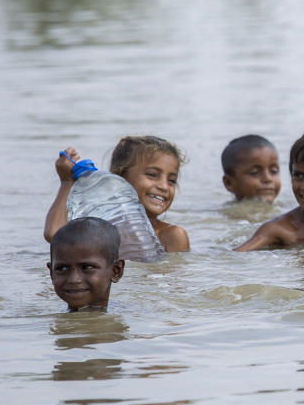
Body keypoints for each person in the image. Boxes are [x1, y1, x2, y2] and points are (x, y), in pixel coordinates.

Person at [44, 135, 190, 252]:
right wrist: (66, 182)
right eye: (152, 175)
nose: (164, 186)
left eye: (172, 180)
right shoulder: (101, 230)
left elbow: (177, 286)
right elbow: (55, 235)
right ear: (119, 178)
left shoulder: (172, 236)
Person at [48, 217, 125, 312]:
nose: (74, 280)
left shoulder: (133, 317)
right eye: (62, 269)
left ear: (116, 271)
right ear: (51, 273)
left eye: (86, 267)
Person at [221, 134, 282, 204]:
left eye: (274, 171)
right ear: (229, 183)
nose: (268, 178)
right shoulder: (232, 214)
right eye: (254, 172)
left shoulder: (288, 211)